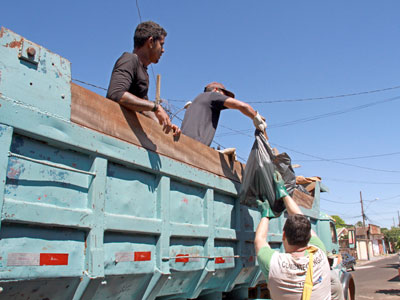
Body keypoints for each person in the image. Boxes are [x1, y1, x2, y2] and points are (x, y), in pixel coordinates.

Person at [254, 171, 331, 300]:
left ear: (283, 235)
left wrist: (265, 214)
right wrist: (284, 192)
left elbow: (259, 239)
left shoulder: (274, 264)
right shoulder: (320, 253)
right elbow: (259, 240)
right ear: (308, 237)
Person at [107, 21, 180, 136]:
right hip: (115, 132)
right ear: (151, 42)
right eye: (161, 44)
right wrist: (155, 107)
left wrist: (165, 125)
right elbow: (116, 94)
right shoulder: (130, 59)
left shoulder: (143, 71)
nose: (163, 50)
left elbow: (144, 110)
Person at [181, 82, 266, 146]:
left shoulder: (195, 103)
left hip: (182, 143)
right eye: (224, 95)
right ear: (216, 90)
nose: (225, 98)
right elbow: (243, 106)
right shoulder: (212, 95)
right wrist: (256, 117)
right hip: (194, 146)